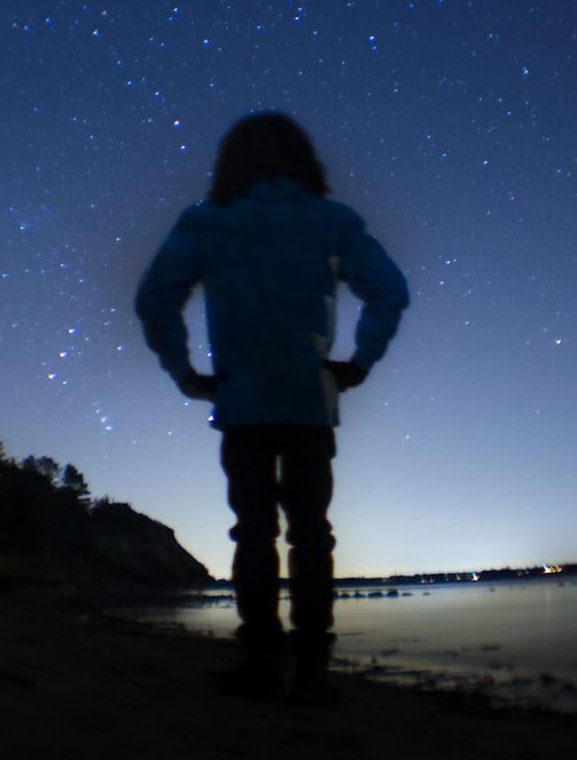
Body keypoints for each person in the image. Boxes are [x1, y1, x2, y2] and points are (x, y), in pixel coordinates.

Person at [134, 111, 409, 703]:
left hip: (241, 399)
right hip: (309, 399)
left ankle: (262, 664)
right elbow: (390, 290)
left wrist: (186, 374)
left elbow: (155, 298)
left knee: (252, 534)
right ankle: (312, 671)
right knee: (312, 535)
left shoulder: (208, 221)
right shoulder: (330, 220)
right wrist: (359, 361)